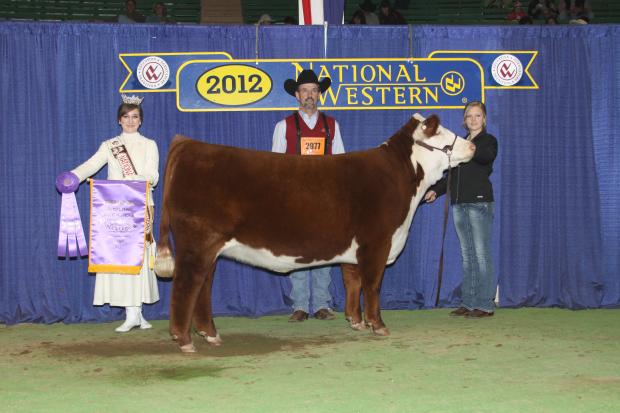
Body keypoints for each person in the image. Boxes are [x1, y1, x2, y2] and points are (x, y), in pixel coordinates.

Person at [65, 95, 159, 332]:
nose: (130, 121)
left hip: (140, 205)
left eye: (135, 117)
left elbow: (154, 176)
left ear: (141, 120)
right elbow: (91, 165)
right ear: (119, 120)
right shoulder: (109, 145)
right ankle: (131, 313)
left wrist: (134, 179)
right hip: (114, 209)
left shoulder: (150, 144)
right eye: (126, 117)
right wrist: (74, 176)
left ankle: (137, 312)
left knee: (139, 257)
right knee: (119, 258)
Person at [271, 69, 345, 322]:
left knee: (325, 251)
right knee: (299, 250)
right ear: (297, 95)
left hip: (325, 199)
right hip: (295, 199)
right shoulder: (284, 126)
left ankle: (322, 304)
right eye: (305, 91)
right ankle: (300, 305)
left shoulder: (332, 125)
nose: (309, 95)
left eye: (314, 90)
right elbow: (276, 165)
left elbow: (341, 164)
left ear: (320, 94)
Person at [424, 101, 498, 318]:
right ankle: (469, 301)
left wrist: (465, 148)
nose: (473, 119)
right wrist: (436, 191)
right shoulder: (461, 144)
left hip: (479, 202)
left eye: (477, 116)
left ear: (484, 119)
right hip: (460, 203)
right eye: (469, 116)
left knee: (482, 255)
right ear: (464, 121)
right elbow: (452, 174)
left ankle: (485, 304)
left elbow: (486, 157)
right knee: (468, 256)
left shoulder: (487, 141)